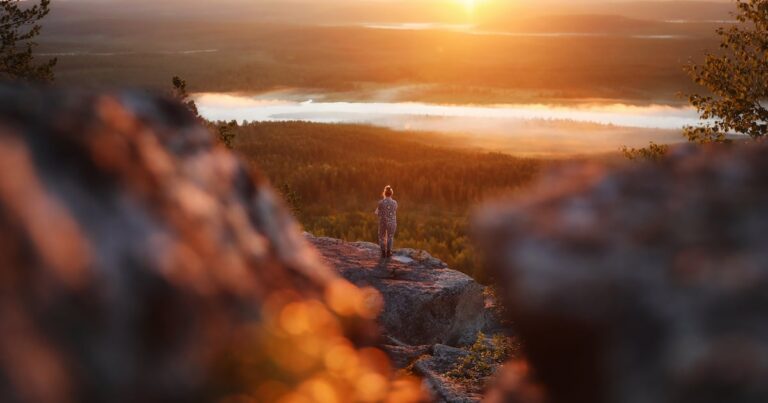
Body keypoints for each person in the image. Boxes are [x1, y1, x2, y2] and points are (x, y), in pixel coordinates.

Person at [375, 185, 398, 258]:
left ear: (384, 193)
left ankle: (383, 253)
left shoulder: (380, 202)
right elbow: (394, 210)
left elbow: (377, 213)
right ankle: (388, 252)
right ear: (391, 193)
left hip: (383, 222)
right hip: (392, 222)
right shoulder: (395, 202)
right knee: (390, 237)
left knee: (381, 236)